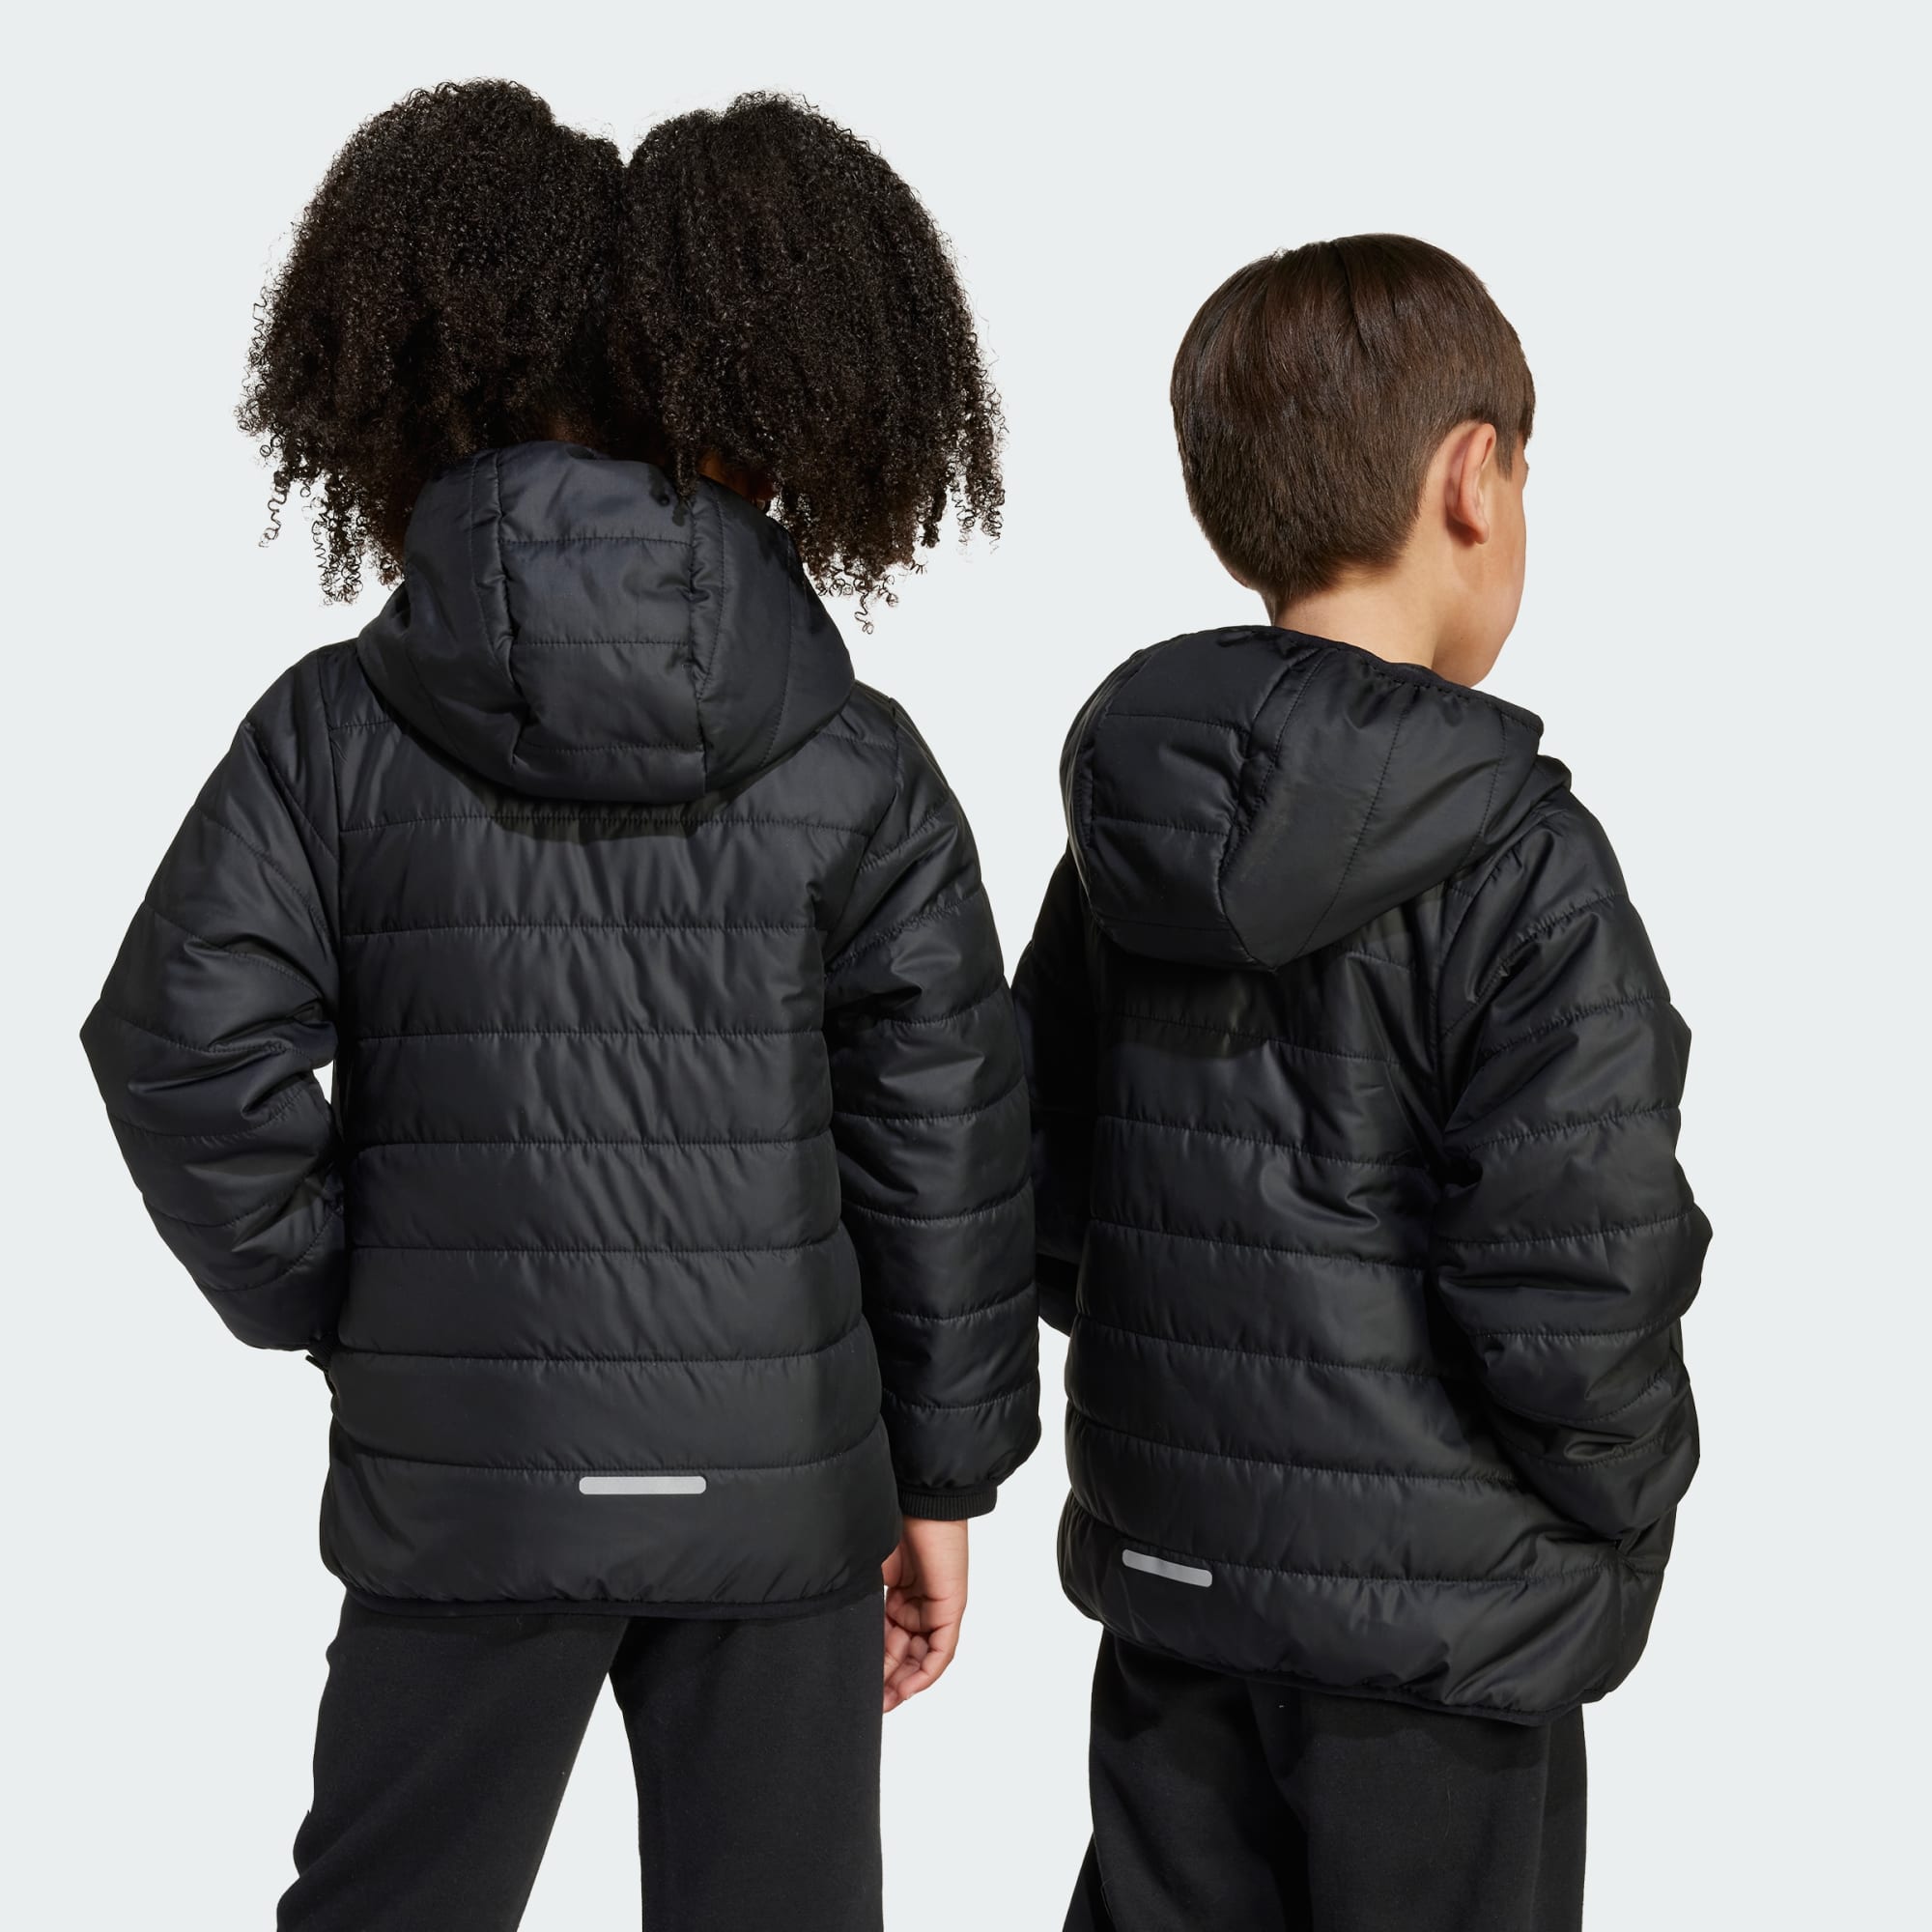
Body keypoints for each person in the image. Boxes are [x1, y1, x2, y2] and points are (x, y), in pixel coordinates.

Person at [80, 83, 1037, 1932]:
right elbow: (944, 1145)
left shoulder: (334, 735)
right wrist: (943, 1475)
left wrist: (355, 1298)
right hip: (784, 1497)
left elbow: (179, 1047)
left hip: (471, 1493)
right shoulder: (856, 761)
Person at [1015, 234, 1708, 1932]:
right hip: (1445, 1640)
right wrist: (1620, 1523)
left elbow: (1041, 1195)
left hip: (1180, 1596)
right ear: (1473, 479)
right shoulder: (1525, 862)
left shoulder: (1126, 841)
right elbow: (1585, 1270)